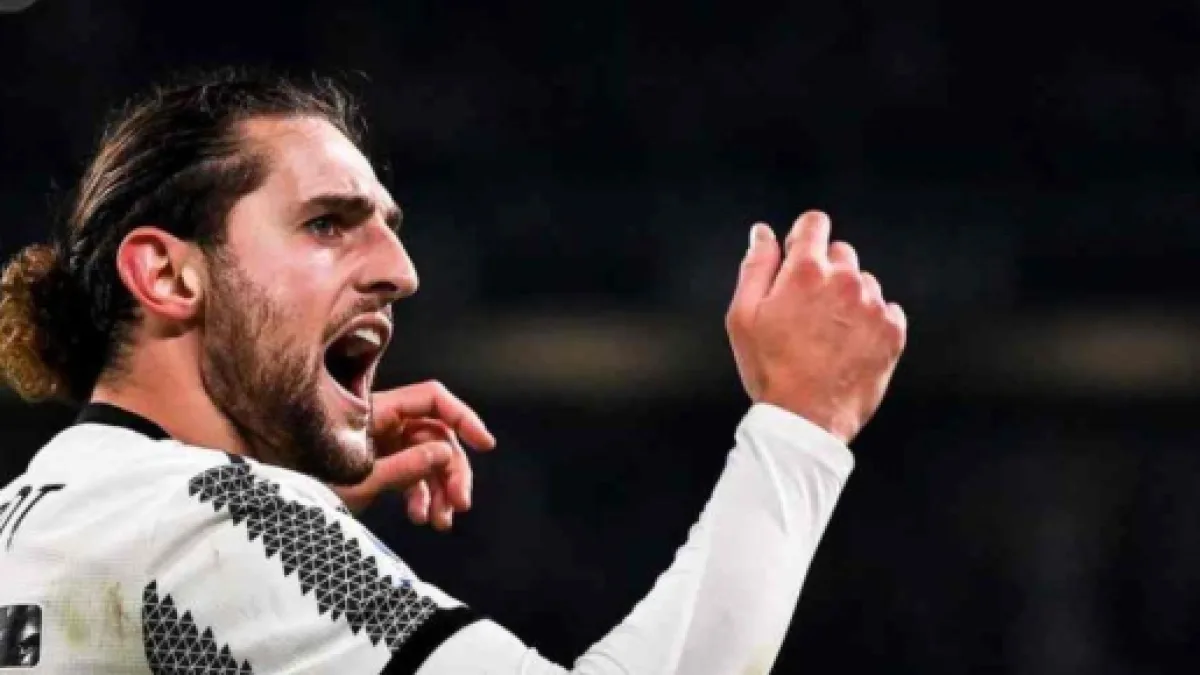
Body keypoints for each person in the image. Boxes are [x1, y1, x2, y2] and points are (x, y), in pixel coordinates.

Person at [0, 70, 906, 674]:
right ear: (166, 274)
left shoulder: (35, 518)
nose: (401, 270)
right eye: (326, 223)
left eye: (388, 227)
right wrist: (800, 426)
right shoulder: (214, 522)